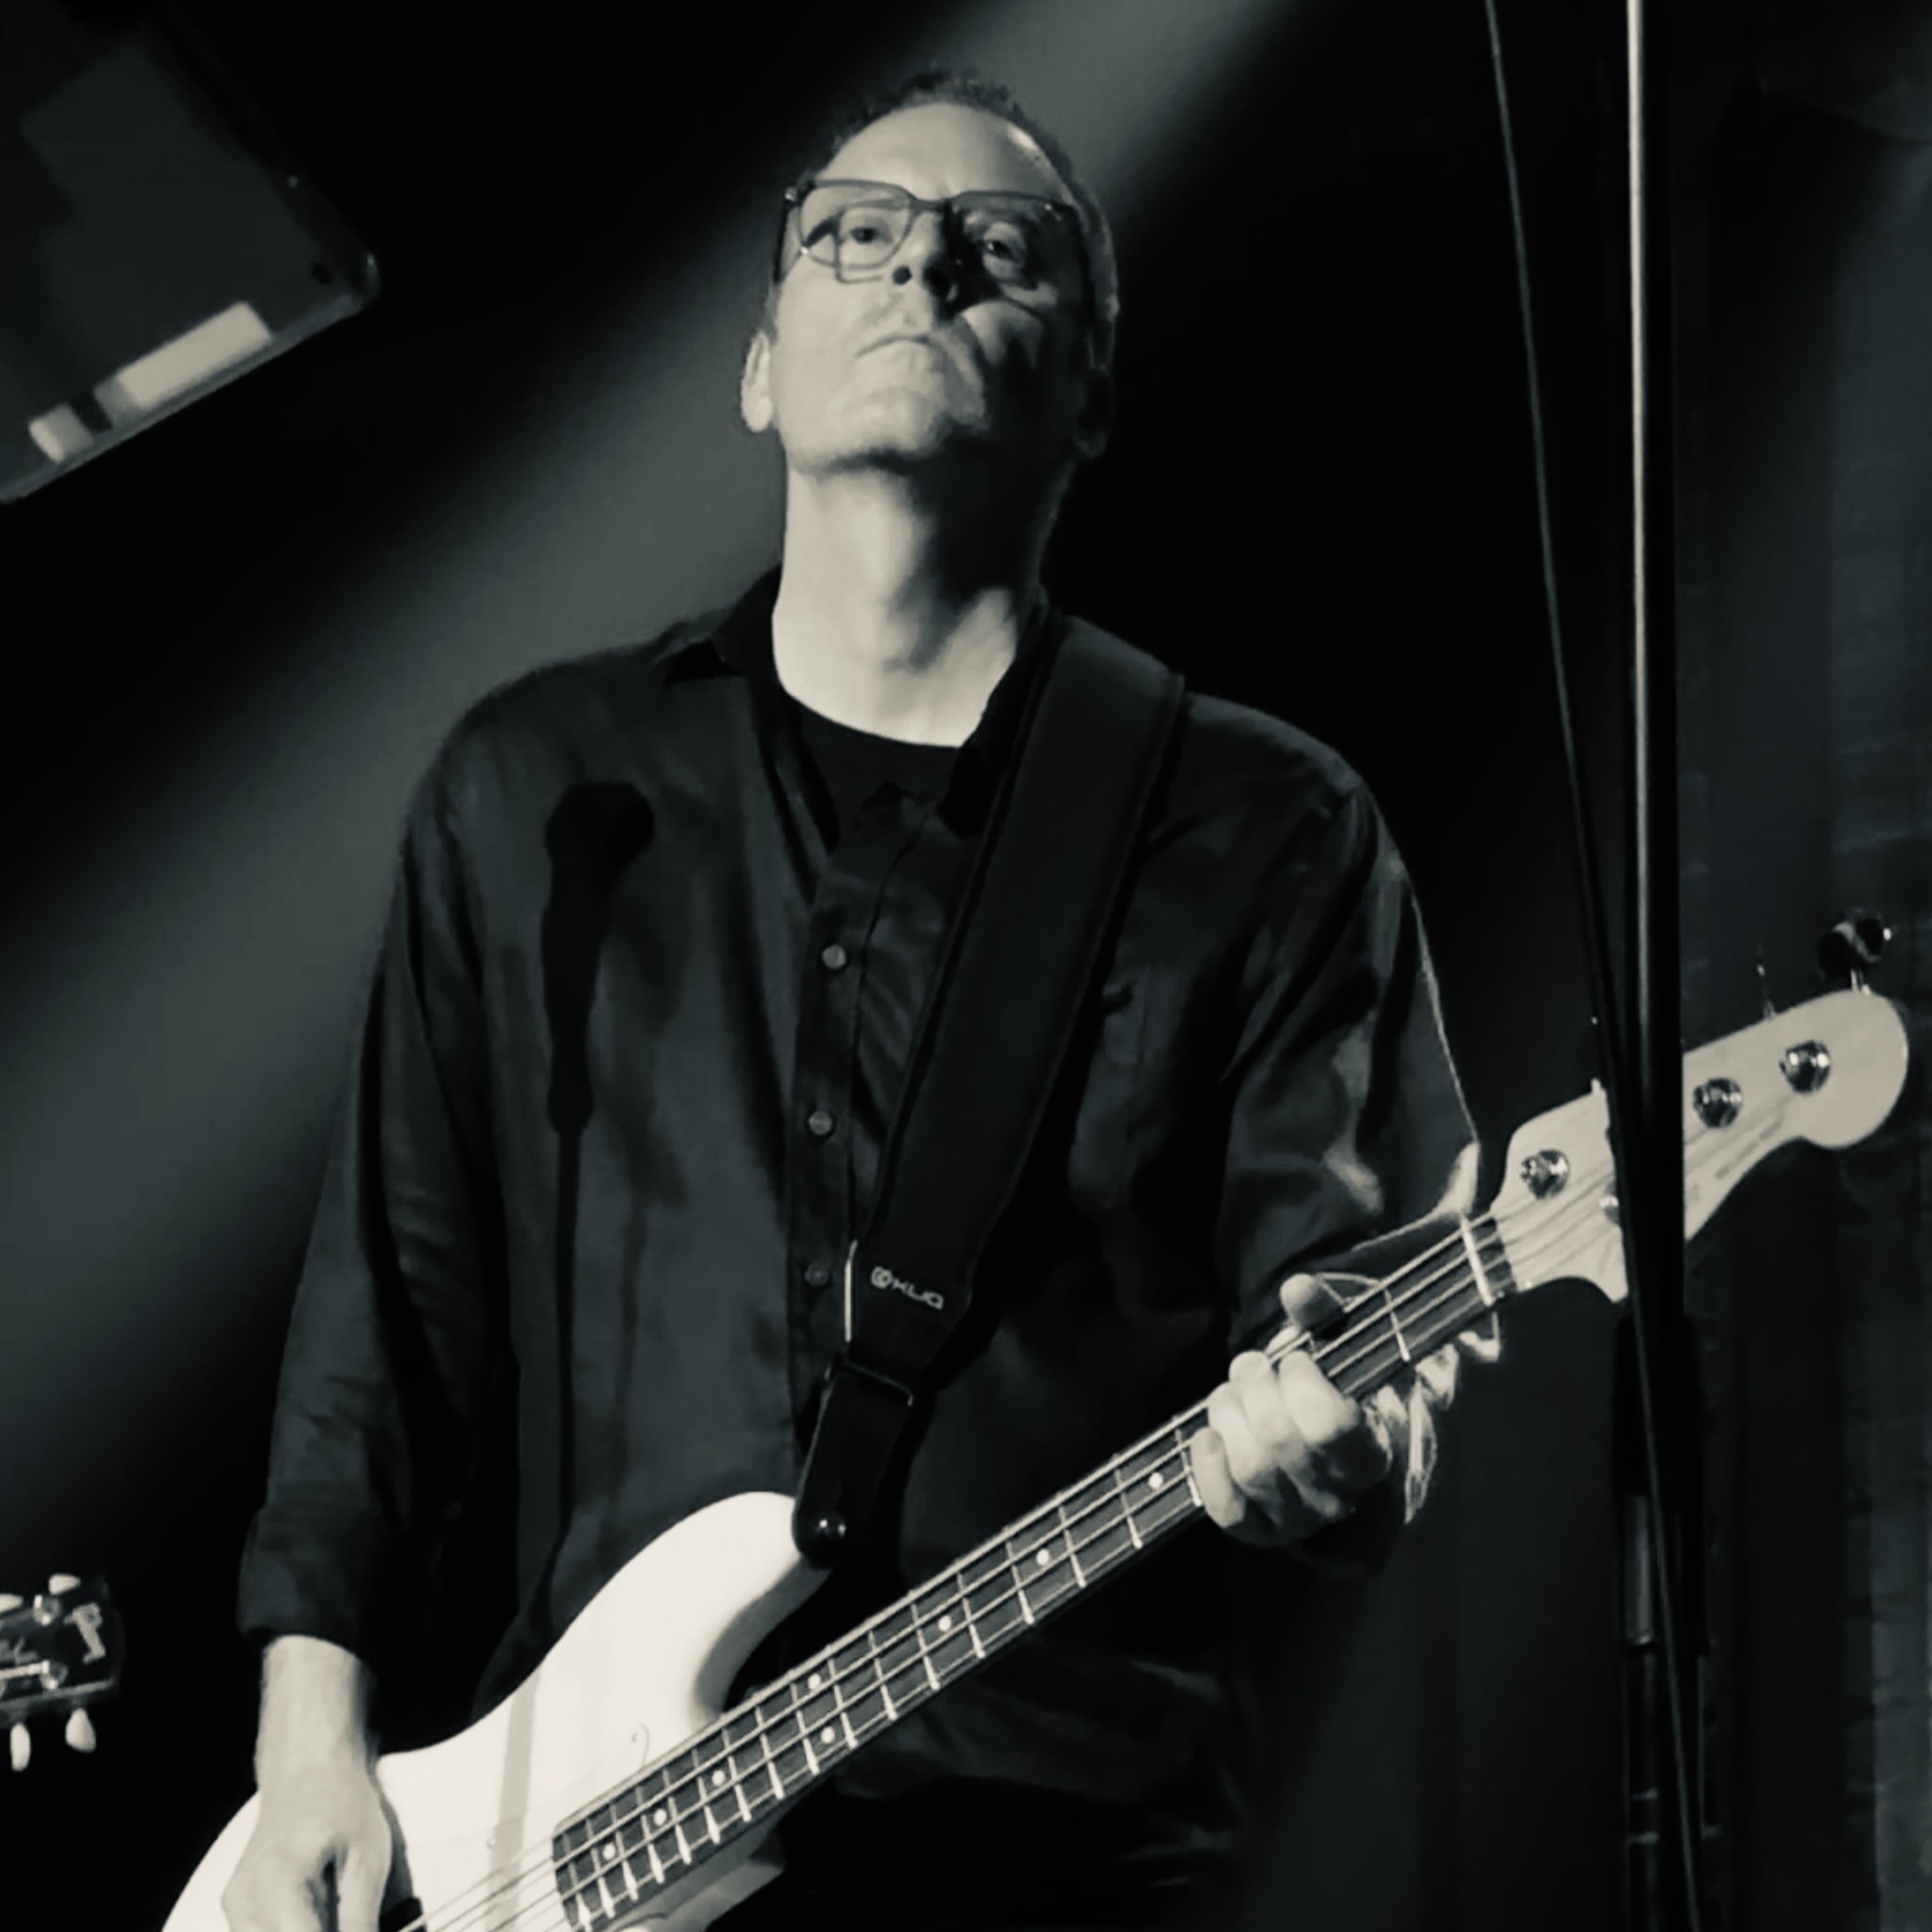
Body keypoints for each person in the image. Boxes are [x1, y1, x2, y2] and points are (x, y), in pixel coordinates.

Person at [220, 64, 1497, 1932]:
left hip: (1057, 1849)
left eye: (1001, 247)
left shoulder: (1263, 824)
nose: (921, 271)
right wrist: (309, 1737)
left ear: (1091, 391)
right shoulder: (542, 789)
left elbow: (1357, 1296)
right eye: (856, 235)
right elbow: (390, 1308)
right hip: (572, 1849)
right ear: (758, 365)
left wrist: (1340, 1439)